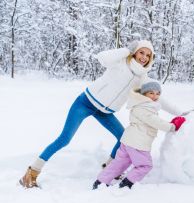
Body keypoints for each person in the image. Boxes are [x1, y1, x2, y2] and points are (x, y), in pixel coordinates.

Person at [19, 40, 185, 188]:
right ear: (134, 51)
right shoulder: (120, 61)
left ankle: (110, 168)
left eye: (148, 55)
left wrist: (181, 112)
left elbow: (157, 99)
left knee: (124, 137)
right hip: (85, 103)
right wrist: (127, 50)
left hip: (105, 113)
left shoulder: (142, 78)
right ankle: (32, 172)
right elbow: (102, 57)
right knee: (64, 139)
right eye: (141, 52)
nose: (144, 57)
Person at [92, 80, 186, 189]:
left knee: (119, 164)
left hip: (128, 141)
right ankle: (127, 183)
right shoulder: (144, 107)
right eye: (151, 93)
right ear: (144, 94)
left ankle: (100, 182)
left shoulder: (142, 104)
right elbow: (154, 120)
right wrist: (172, 127)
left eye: (157, 93)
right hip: (138, 143)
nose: (155, 96)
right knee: (145, 165)